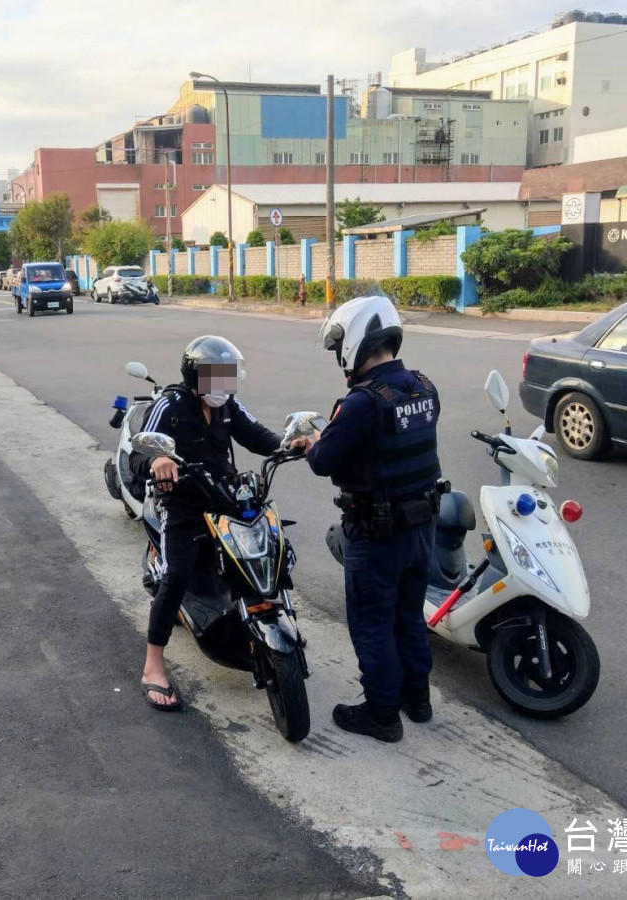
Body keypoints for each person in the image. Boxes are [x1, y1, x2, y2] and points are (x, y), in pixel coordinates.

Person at [130, 335, 311, 711]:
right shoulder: (170, 404)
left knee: (274, 548)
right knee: (176, 576)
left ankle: (272, 617)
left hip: (226, 495)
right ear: (195, 376)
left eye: (228, 378)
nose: (223, 387)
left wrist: (287, 444)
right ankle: (153, 666)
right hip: (182, 502)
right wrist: (156, 462)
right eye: (216, 378)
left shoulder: (228, 405)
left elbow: (256, 435)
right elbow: (139, 453)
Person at [306, 295, 443, 743]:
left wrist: (311, 441)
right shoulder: (424, 387)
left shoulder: (363, 402)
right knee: (408, 616)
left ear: (357, 341)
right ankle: (416, 699)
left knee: (372, 623)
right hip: (423, 528)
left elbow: (324, 460)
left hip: (377, 534)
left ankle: (382, 714)